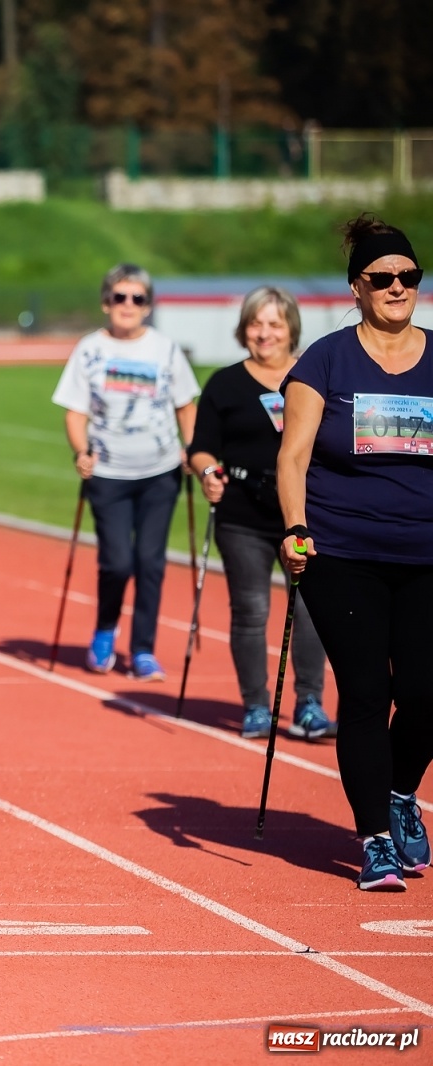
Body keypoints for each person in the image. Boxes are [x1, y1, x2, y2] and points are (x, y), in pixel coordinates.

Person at [278, 214, 431, 892]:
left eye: (409, 276)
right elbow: (293, 456)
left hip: (426, 553)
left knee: (425, 693)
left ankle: (400, 792)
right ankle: (374, 839)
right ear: (356, 287)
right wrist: (293, 528)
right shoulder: (326, 360)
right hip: (342, 552)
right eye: (383, 277)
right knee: (367, 691)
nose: (398, 287)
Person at [188, 287, 335, 740]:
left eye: (274, 324)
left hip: (305, 514)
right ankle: (255, 705)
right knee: (251, 609)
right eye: (256, 323)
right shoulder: (225, 383)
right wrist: (207, 472)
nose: (265, 333)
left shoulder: (315, 376)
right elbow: (200, 447)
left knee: (311, 610)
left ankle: (309, 704)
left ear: (291, 328)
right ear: (243, 329)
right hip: (242, 515)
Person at [52, 264, 198, 682]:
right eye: (120, 297)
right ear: (106, 302)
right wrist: (81, 450)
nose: (128, 305)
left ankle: (143, 650)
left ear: (148, 305)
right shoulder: (89, 349)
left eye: (137, 298)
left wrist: (192, 448)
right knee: (117, 562)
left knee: (150, 562)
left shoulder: (166, 350)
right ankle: (105, 629)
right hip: (108, 474)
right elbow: (75, 412)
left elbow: (185, 405)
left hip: (160, 473)